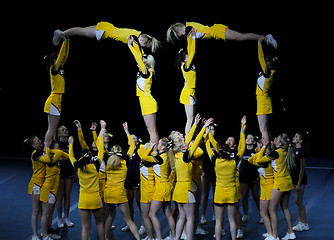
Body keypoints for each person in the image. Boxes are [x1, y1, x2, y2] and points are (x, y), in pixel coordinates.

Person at [168, 115, 213, 240]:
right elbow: (196, 140)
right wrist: (203, 127)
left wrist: (194, 124)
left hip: (178, 191)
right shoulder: (186, 155)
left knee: (182, 217)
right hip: (187, 190)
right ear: (182, 147)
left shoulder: (177, 154)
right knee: (190, 219)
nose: (187, 144)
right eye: (185, 144)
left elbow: (188, 140)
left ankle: (176, 238)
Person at [204, 116, 246, 240]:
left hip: (220, 192)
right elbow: (242, 148)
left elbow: (209, 147)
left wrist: (207, 134)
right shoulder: (234, 161)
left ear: (220, 152)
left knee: (218, 221)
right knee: (232, 220)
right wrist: (242, 130)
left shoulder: (216, 161)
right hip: (232, 191)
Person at [68, 120, 106, 240]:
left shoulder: (77, 167)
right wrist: (101, 133)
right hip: (95, 198)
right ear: (90, 157)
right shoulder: (95, 165)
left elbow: (71, 156)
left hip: (83, 199)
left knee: (85, 228)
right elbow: (101, 151)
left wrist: (70, 144)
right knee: (100, 224)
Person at [103, 122, 141, 240]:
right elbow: (132, 147)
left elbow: (100, 146)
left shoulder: (107, 160)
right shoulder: (125, 161)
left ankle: (105, 238)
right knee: (128, 220)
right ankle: (138, 239)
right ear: (121, 152)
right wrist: (126, 131)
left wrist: (101, 130)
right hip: (119, 193)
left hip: (108, 192)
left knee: (110, 217)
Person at [257, 133, 296, 240]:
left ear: (280, 143)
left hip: (279, 183)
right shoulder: (285, 151)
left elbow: (259, 160)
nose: (274, 138)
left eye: (276, 138)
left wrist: (263, 147)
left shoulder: (276, 153)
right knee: (285, 207)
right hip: (288, 182)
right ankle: (290, 232)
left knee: (271, 209)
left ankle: (274, 236)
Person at [128, 35, 159, 154]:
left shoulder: (147, 71)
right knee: (149, 129)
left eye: (142, 62)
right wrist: (135, 45)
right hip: (144, 101)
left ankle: (155, 151)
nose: (139, 64)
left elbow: (138, 59)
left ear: (146, 63)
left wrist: (130, 47)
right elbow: (139, 57)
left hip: (147, 101)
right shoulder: (143, 72)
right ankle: (154, 149)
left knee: (152, 130)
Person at [53, 22, 160, 53]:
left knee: (83, 30)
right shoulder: (135, 39)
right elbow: (138, 52)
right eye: (144, 46)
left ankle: (62, 34)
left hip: (107, 27)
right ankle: (61, 34)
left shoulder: (137, 33)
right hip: (105, 32)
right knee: (82, 31)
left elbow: (144, 40)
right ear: (141, 40)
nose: (142, 47)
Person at [167, 22, 277, 49]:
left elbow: (190, 45)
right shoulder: (188, 26)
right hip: (216, 32)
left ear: (180, 30)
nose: (182, 37)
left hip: (217, 31)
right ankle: (264, 38)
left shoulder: (188, 28)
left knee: (241, 37)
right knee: (240, 37)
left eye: (180, 35)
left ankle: (266, 38)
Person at [43, 38, 69, 150]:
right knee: (52, 129)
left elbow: (65, 53)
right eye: (58, 57)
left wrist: (67, 41)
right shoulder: (53, 69)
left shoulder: (59, 69)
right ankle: (45, 151)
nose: (61, 58)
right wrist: (64, 41)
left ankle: (49, 150)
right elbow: (62, 53)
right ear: (54, 60)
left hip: (56, 100)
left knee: (53, 129)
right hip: (54, 100)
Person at [24, 136, 51, 240]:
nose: (40, 142)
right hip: (35, 185)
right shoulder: (35, 154)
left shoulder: (39, 152)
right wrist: (47, 146)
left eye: (40, 140)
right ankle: (35, 235)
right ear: (33, 145)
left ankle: (44, 233)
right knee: (36, 210)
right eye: (38, 141)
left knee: (42, 210)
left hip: (42, 184)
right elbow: (48, 160)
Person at [248, 140, 275, 240]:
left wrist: (262, 148)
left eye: (258, 146)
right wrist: (259, 150)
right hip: (264, 186)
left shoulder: (266, 159)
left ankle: (272, 234)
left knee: (264, 212)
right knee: (265, 212)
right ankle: (270, 233)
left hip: (269, 186)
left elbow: (256, 160)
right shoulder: (263, 157)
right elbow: (250, 160)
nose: (256, 148)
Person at [175, 28, 198, 136]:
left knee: (191, 118)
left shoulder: (188, 65)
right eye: (188, 54)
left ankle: (189, 137)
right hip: (188, 92)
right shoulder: (186, 65)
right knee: (190, 118)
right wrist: (193, 37)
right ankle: (187, 140)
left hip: (190, 92)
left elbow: (192, 51)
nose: (191, 55)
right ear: (185, 57)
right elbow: (192, 51)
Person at [256, 36, 277, 146]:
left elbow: (260, 57)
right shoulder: (267, 72)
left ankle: (267, 149)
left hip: (263, 101)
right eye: (266, 61)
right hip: (263, 101)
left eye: (267, 61)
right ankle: (271, 149)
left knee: (263, 129)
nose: (265, 63)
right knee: (266, 129)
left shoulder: (268, 72)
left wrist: (259, 43)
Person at [55, 125, 75, 228]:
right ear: (58, 133)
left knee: (67, 195)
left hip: (70, 171)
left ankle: (67, 218)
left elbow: (73, 158)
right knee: (60, 195)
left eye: (66, 129)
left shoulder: (70, 143)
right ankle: (59, 219)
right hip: (59, 172)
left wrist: (75, 173)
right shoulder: (56, 144)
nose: (65, 131)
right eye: (62, 130)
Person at [238, 134, 260, 223]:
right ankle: (246, 214)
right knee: (244, 196)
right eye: (247, 138)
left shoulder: (256, 151)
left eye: (251, 138)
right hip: (243, 176)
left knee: (256, 196)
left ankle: (262, 215)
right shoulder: (242, 150)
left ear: (254, 142)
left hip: (254, 176)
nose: (248, 139)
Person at [291, 131, 309, 232]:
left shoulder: (302, 151)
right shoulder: (293, 149)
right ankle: (301, 222)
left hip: (300, 179)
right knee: (297, 201)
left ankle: (304, 223)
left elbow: (302, 170)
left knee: (299, 201)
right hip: (293, 177)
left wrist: (298, 183)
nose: (294, 137)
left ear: (300, 140)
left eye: (296, 136)